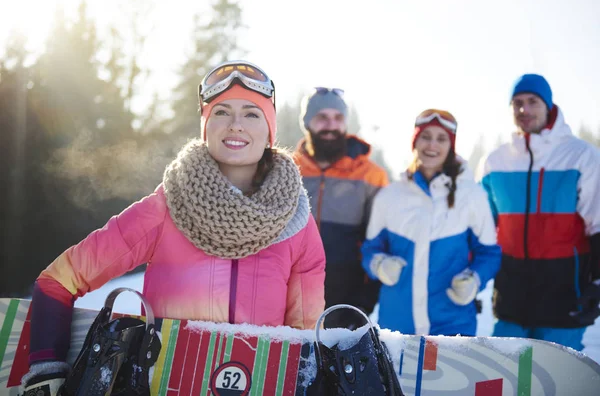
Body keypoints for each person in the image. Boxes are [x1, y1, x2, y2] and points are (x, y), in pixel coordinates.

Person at [21, 61, 326, 393]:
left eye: (252, 114)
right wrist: (46, 366)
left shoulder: (296, 225)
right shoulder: (165, 209)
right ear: (206, 126)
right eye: (221, 112)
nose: (236, 125)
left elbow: (303, 342)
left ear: (269, 131)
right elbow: (58, 281)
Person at [479, 74, 600, 350]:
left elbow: (598, 224)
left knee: (554, 385)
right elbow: (480, 226)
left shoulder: (581, 156)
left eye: (533, 101)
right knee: (505, 380)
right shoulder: (495, 162)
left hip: (564, 297)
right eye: (517, 103)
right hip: (511, 296)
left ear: (548, 105)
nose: (524, 110)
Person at [361, 109, 501, 336]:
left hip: (453, 327)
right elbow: (370, 249)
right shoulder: (390, 196)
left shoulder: (471, 196)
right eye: (426, 137)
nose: (432, 145)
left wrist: (474, 280)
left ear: (451, 145)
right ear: (414, 142)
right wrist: (379, 264)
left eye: (441, 138)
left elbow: (489, 254)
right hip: (397, 329)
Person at [294, 87, 389, 329]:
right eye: (322, 118)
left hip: (347, 301)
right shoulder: (287, 169)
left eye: (338, 118)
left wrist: (364, 302)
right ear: (307, 123)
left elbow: (380, 241)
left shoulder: (371, 176)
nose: (331, 125)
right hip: (291, 295)